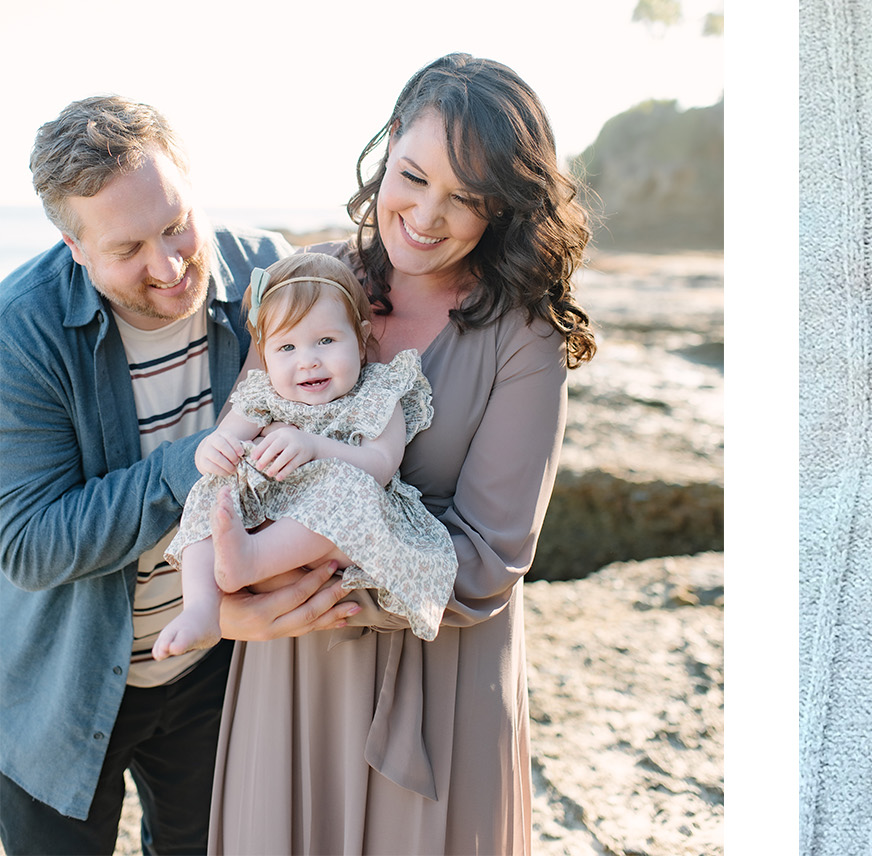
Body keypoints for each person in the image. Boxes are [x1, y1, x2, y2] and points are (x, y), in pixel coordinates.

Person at [209, 53, 595, 855]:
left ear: (504, 206)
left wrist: (287, 573)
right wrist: (228, 603)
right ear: (388, 143)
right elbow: (239, 464)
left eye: (467, 197)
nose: (425, 215)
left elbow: (488, 557)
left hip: (438, 682)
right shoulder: (312, 281)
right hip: (293, 669)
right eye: (413, 177)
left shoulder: (525, 335)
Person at [0, 95, 353, 854]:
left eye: (176, 224)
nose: (168, 266)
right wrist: (187, 463)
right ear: (73, 247)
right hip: (60, 687)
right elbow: (28, 545)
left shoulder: (268, 276)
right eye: (128, 248)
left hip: (217, 669)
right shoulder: (18, 332)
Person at [154, 253, 457, 661]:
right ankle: (201, 608)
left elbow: (381, 465)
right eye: (287, 346)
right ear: (264, 354)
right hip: (267, 512)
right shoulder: (262, 396)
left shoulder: (379, 393)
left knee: (348, 484)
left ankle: (253, 559)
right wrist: (211, 451)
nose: (308, 360)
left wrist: (313, 446)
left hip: (343, 529)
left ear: (361, 339)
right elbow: (222, 438)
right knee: (214, 488)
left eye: (326, 341)